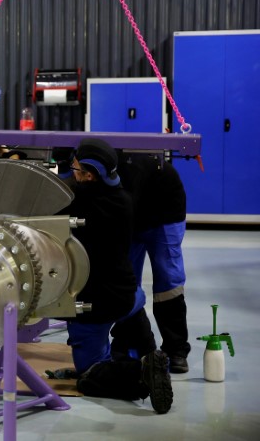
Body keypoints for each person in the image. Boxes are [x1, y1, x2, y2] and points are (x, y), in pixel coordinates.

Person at [58, 138, 173, 414]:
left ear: (88, 175)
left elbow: (50, 204)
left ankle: (138, 373)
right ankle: (153, 360)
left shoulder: (79, 202)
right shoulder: (122, 198)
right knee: (134, 313)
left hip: (93, 303)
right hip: (127, 294)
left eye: (76, 169)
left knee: (88, 376)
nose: (72, 172)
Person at [115, 154, 191, 373]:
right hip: (131, 212)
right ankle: (128, 344)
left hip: (166, 207)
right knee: (126, 281)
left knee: (169, 280)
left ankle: (176, 349)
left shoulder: (126, 173)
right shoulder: (92, 171)